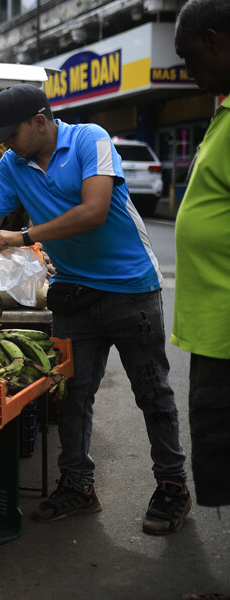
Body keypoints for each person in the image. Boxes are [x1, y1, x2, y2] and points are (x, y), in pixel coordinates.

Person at [0, 84, 189, 535]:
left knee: (153, 392)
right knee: (72, 395)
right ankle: (78, 485)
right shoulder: (12, 164)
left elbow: (94, 210)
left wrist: (25, 236)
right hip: (73, 291)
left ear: (40, 121)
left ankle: (173, 486)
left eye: (11, 133)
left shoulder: (89, 139)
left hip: (130, 288)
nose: (5, 144)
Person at [172, 0, 230, 513]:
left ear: (215, 40)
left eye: (188, 59)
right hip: (216, 334)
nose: (189, 75)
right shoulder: (224, 111)